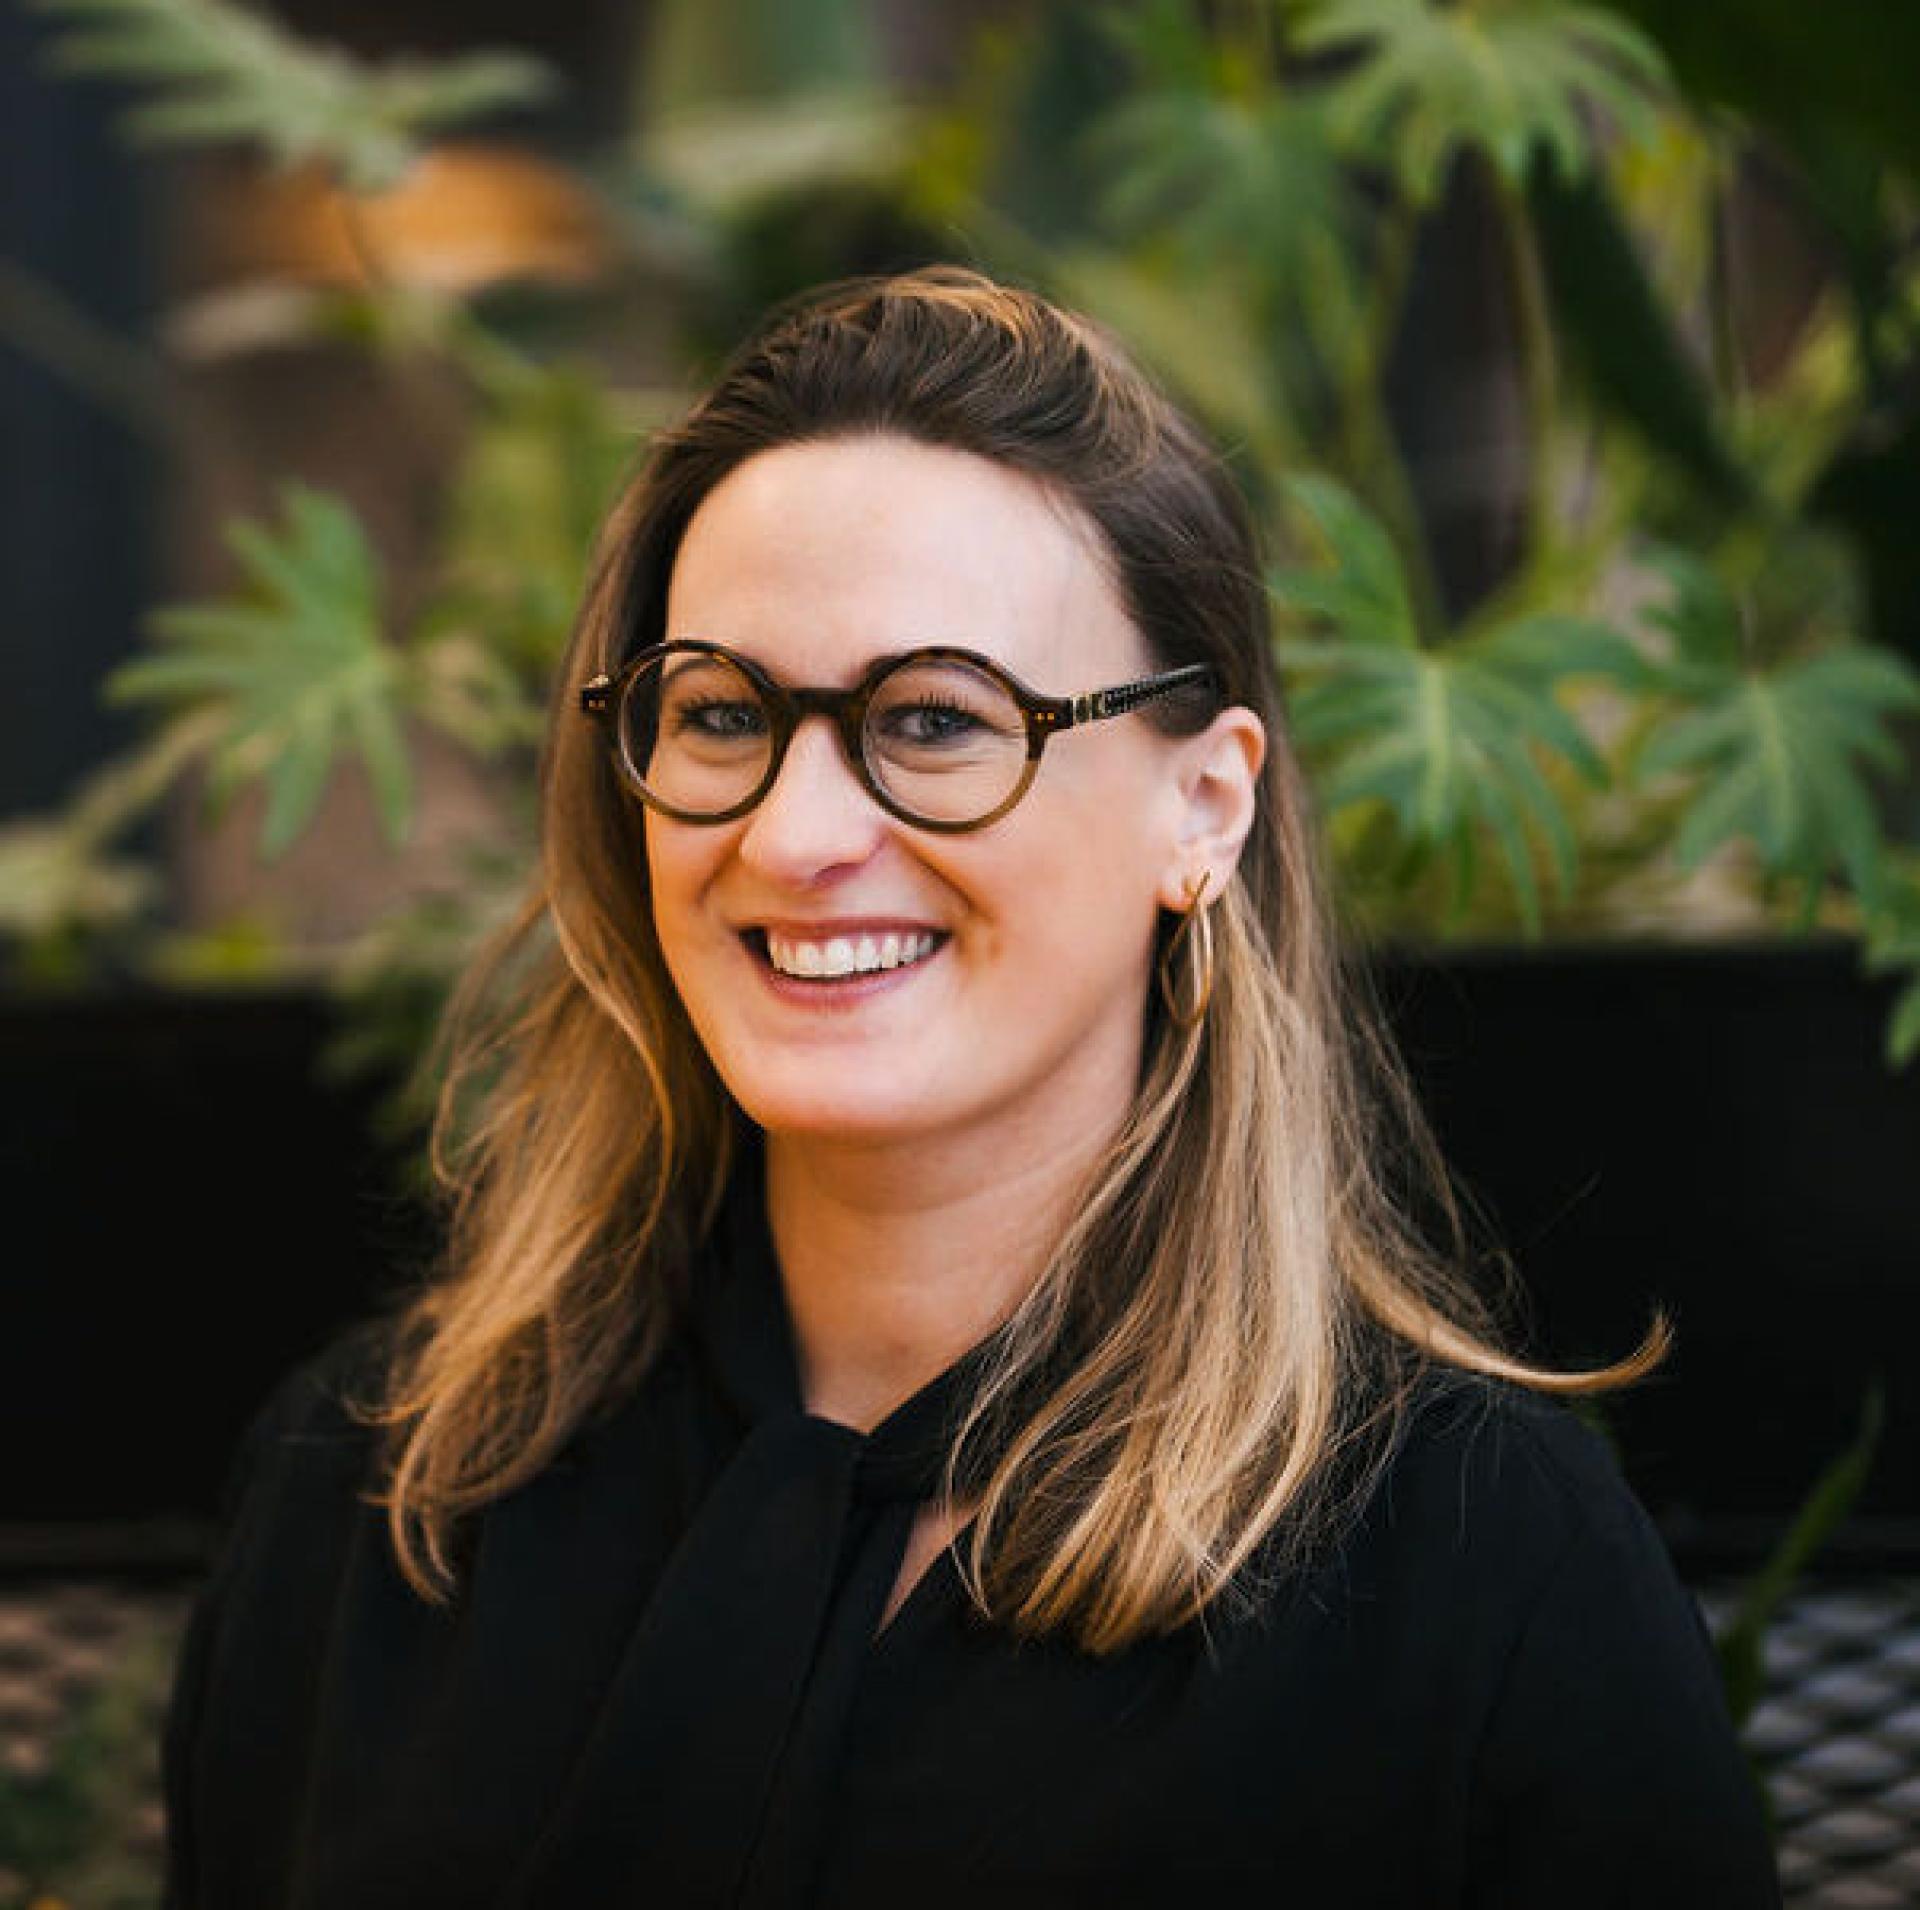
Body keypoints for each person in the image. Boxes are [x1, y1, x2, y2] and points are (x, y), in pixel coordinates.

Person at [160, 264, 1782, 1908]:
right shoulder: (378, 1496)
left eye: (935, 718)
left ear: (1202, 810)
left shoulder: (1480, 1576)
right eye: (721, 712)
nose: (794, 836)